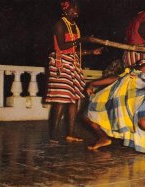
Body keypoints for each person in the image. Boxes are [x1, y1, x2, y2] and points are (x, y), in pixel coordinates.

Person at [45, 0, 102, 144]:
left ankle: (70, 134)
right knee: (61, 100)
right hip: (61, 63)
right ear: (65, 10)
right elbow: (63, 46)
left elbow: (75, 50)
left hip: (73, 63)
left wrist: (91, 52)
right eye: (73, 8)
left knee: (74, 100)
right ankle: (53, 135)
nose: (76, 10)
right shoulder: (59, 24)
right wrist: (83, 39)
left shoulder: (75, 26)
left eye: (77, 8)